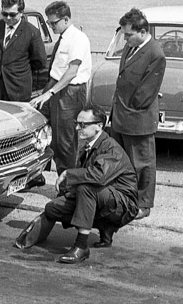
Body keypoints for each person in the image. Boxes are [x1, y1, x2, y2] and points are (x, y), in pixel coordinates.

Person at [14, 105, 138, 262]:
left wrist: (67, 174)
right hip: (104, 197)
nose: (78, 128)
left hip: (124, 204)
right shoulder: (87, 145)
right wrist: (64, 196)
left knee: (87, 188)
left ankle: (81, 247)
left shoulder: (111, 148)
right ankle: (105, 229)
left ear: (99, 126)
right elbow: (84, 178)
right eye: (77, 123)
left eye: (83, 125)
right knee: (53, 208)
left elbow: (98, 177)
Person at [110, 8, 166, 220]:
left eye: (128, 34)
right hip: (121, 116)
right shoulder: (130, 46)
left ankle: (143, 204)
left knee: (142, 164)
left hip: (137, 119)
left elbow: (145, 94)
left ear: (142, 32)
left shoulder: (155, 54)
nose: (125, 38)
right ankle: (124, 198)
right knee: (122, 162)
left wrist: (126, 110)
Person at [29, 1, 91, 175]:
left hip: (70, 92)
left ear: (65, 19)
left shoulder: (78, 39)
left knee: (66, 142)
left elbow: (72, 72)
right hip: (56, 86)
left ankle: (69, 187)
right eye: (49, 23)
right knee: (47, 132)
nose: (51, 26)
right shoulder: (63, 38)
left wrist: (49, 93)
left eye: (53, 23)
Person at [0, 0, 47, 102]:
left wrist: (19, 70)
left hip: (18, 90)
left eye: (12, 14)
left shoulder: (31, 31)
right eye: (4, 14)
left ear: (21, 13)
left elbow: (40, 61)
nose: (8, 18)